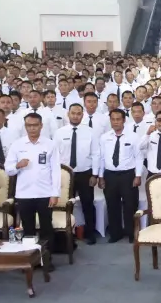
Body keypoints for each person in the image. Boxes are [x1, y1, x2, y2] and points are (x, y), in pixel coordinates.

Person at [5, 113, 61, 251]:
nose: (32, 128)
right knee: (28, 229)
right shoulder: (17, 145)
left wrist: (55, 193)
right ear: (25, 127)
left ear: (41, 126)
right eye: (29, 125)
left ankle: (47, 259)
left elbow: (56, 170)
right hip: (24, 194)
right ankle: (31, 259)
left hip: (45, 193)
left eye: (35, 125)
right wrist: (18, 165)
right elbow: (8, 169)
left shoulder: (50, 144)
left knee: (46, 228)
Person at [55, 103, 100, 245]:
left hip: (85, 173)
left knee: (88, 203)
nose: (75, 116)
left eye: (78, 113)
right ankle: (66, 234)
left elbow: (96, 154)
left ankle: (90, 233)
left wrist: (95, 175)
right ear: (68, 114)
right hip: (65, 175)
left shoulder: (90, 132)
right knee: (65, 205)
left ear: (83, 115)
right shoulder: (59, 132)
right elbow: (55, 155)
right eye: (73, 113)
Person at [95, 108, 141, 243]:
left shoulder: (133, 137)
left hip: (128, 175)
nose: (115, 122)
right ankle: (116, 233)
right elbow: (101, 158)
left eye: (118, 119)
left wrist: (138, 176)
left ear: (124, 120)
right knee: (112, 204)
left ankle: (132, 233)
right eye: (113, 119)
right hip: (110, 175)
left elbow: (138, 157)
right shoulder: (104, 138)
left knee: (130, 205)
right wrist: (101, 176)